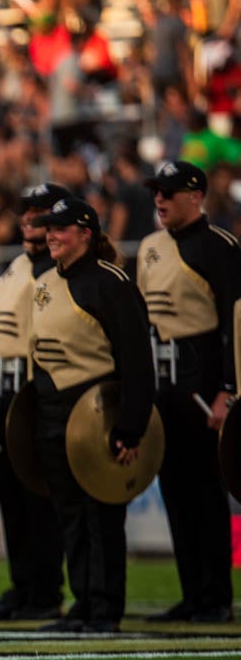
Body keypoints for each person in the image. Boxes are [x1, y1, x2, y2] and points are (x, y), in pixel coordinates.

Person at [30, 197, 155, 633]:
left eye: (61, 228)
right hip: (53, 415)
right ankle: (81, 602)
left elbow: (138, 362)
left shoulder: (112, 283)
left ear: (86, 233)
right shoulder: (44, 282)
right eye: (48, 228)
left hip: (97, 413)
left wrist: (130, 427)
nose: (51, 235)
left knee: (101, 517)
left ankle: (105, 609)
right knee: (70, 516)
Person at [136, 161, 241, 623]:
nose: (159, 199)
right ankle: (191, 591)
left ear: (195, 196)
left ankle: (215, 595)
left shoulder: (220, 248)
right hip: (164, 382)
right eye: (156, 191)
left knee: (205, 491)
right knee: (176, 488)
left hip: (203, 377)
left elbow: (236, 325)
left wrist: (228, 391)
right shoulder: (149, 247)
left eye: (170, 192)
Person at [0, 183, 68, 621]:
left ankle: (47, 589)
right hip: (8, 386)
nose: (30, 221)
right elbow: (2, 334)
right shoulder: (13, 267)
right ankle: (23, 582)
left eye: (40, 213)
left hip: (41, 389)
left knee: (39, 494)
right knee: (11, 493)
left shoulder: (64, 269)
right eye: (26, 214)